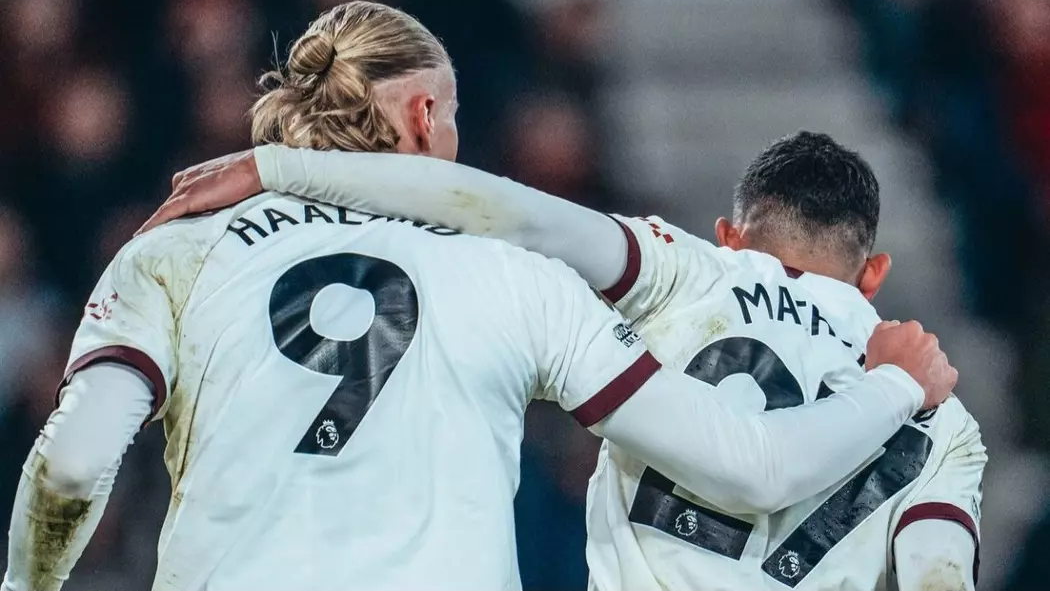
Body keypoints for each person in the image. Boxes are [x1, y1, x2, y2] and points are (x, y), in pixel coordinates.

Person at [0, 3, 954, 591]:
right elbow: (752, 466)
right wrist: (893, 384)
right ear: (425, 116)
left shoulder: (179, 245)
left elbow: (74, 465)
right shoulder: (518, 277)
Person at [144, 132, 985, 591]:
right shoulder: (942, 416)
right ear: (874, 273)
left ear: (732, 233)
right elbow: (936, 575)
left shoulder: (688, 267)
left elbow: (510, 210)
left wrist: (281, 167)